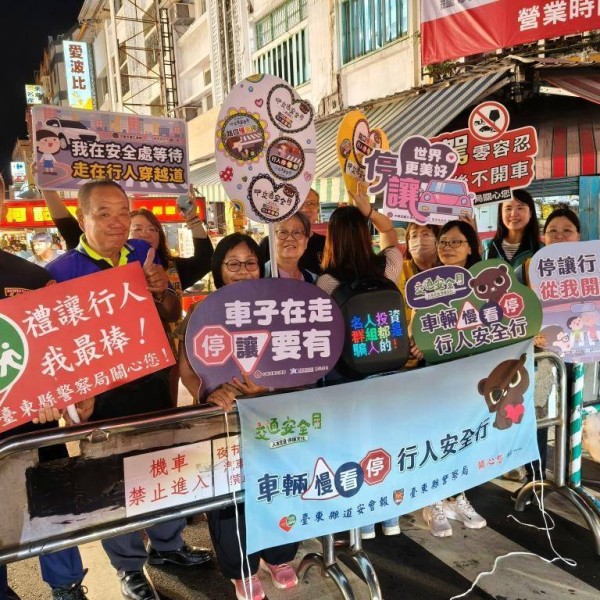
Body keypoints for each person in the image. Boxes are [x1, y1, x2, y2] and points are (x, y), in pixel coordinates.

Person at [46, 179, 211, 600]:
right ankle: (129, 568)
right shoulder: (58, 272)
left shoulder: (142, 253)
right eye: (104, 214)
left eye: (123, 212)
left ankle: (169, 546)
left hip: (153, 383)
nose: (118, 222)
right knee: (112, 483)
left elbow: (171, 309)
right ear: (82, 218)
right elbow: (51, 346)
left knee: (164, 467)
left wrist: (160, 289)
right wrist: (71, 399)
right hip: (100, 397)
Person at [178, 233, 298, 600]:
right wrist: (210, 393)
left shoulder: (279, 307)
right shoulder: (201, 312)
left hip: (272, 417)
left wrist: (268, 388)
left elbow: (299, 358)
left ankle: (278, 555)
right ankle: (241, 568)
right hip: (225, 421)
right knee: (231, 495)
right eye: (233, 264)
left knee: (278, 483)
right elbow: (187, 369)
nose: (243, 271)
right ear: (219, 270)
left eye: (250, 263)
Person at [0, 174, 88, 600]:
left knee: (52, 506)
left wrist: (59, 396)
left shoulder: (34, 277)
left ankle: (66, 586)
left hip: (36, 424)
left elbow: (60, 354)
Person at [316, 192, 402, 539]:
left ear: (332, 239)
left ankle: (362, 523)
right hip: (387, 370)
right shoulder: (388, 268)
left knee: (353, 445)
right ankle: (391, 517)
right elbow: (391, 234)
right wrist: (370, 211)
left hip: (346, 375)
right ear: (366, 235)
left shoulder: (327, 283)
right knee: (385, 440)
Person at [416, 220, 487, 537]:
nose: (447, 247)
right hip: (433, 372)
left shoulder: (483, 283)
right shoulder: (425, 284)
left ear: (471, 247)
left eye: (456, 242)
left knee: (463, 437)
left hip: (471, 373)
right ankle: (432, 501)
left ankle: (457, 498)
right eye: (443, 242)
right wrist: (416, 342)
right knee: (434, 436)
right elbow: (416, 325)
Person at [514, 207, 581, 499]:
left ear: (579, 236)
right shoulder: (528, 268)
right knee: (539, 416)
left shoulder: (591, 267)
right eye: (553, 231)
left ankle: (570, 476)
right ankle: (536, 479)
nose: (559, 236)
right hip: (543, 357)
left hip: (582, 357)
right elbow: (513, 309)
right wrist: (529, 334)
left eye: (567, 230)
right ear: (544, 236)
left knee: (574, 414)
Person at [260, 188, 325, 275]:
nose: (305, 209)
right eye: (299, 203)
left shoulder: (326, 243)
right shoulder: (268, 243)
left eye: (311, 204)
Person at [482, 189, 542, 269]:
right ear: (501, 213)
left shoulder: (541, 250)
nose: (513, 213)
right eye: (508, 208)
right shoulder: (486, 248)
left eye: (520, 208)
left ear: (530, 213)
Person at [265, 211, 316, 282]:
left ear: (306, 242)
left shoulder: (313, 280)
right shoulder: (259, 276)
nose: (290, 238)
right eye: (283, 232)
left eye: (297, 233)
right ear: (271, 239)